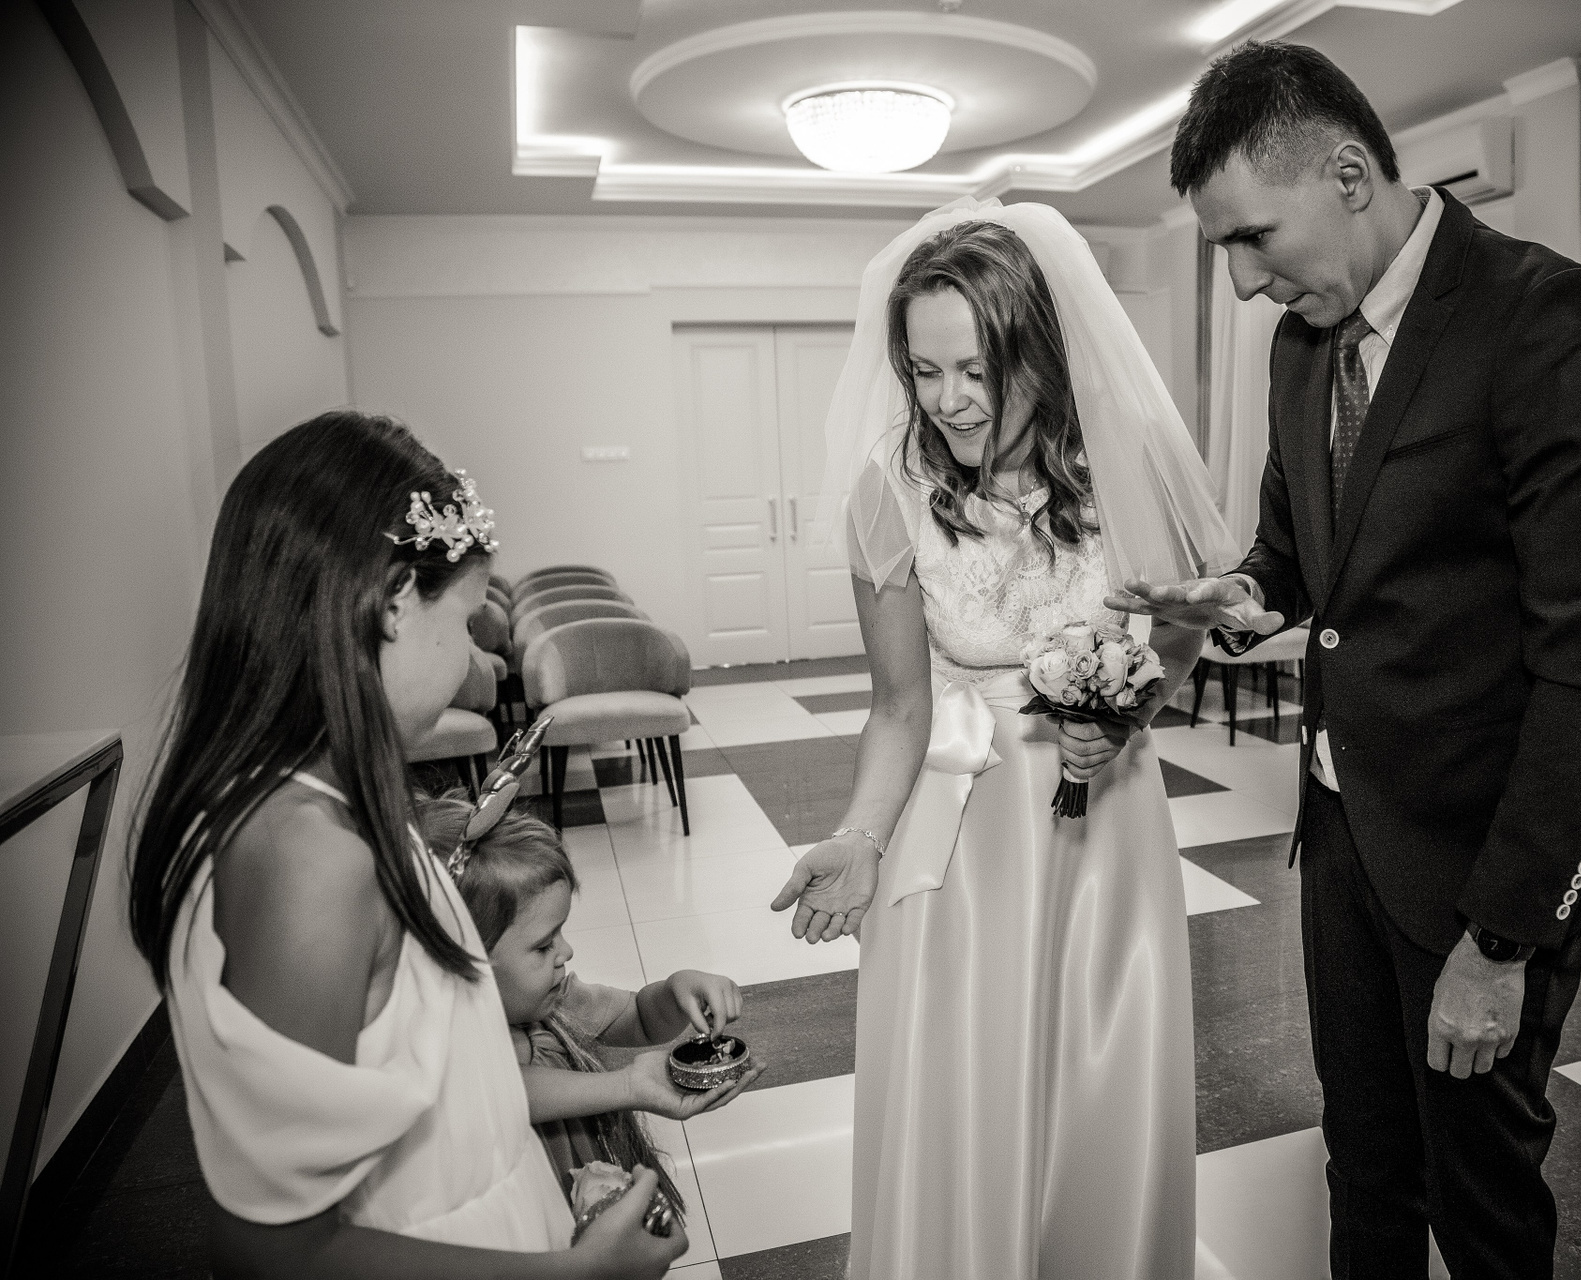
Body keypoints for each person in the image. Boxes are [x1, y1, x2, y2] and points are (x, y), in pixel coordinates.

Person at [1111, 43, 1581, 1279]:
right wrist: (1238, 594)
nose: (1244, 284)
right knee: (1363, 1161)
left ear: (1349, 173)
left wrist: (1501, 941)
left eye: (1253, 238)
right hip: (1341, 838)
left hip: (1483, 859)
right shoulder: (1302, 345)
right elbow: (1295, 554)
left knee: (1481, 1196)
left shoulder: (1549, 324)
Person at [770, 202, 1240, 1280]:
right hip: (962, 834)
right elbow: (900, 704)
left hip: (1107, 824)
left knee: (1101, 1067)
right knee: (964, 1081)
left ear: (1039, 351)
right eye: (925, 371)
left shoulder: (1128, 462)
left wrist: (1124, 714)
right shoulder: (889, 490)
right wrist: (860, 837)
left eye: (976, 369)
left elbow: (1181, 624)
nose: (948, 401)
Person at [127, 411, 685, 1278]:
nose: (471, 661)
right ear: (391, 604)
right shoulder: (309, 858)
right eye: (462, 623)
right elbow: (275, 1250)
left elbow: (437, 1062)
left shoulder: (317, 805)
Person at [416, 793, 763, 1204]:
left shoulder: (556, 1003)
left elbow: (638, 1017)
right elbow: (499, 1088)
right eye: (543, 946)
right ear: (458, 959)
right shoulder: (434, 1048)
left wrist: (674, 991)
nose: (566, 952)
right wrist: (625, 1085)